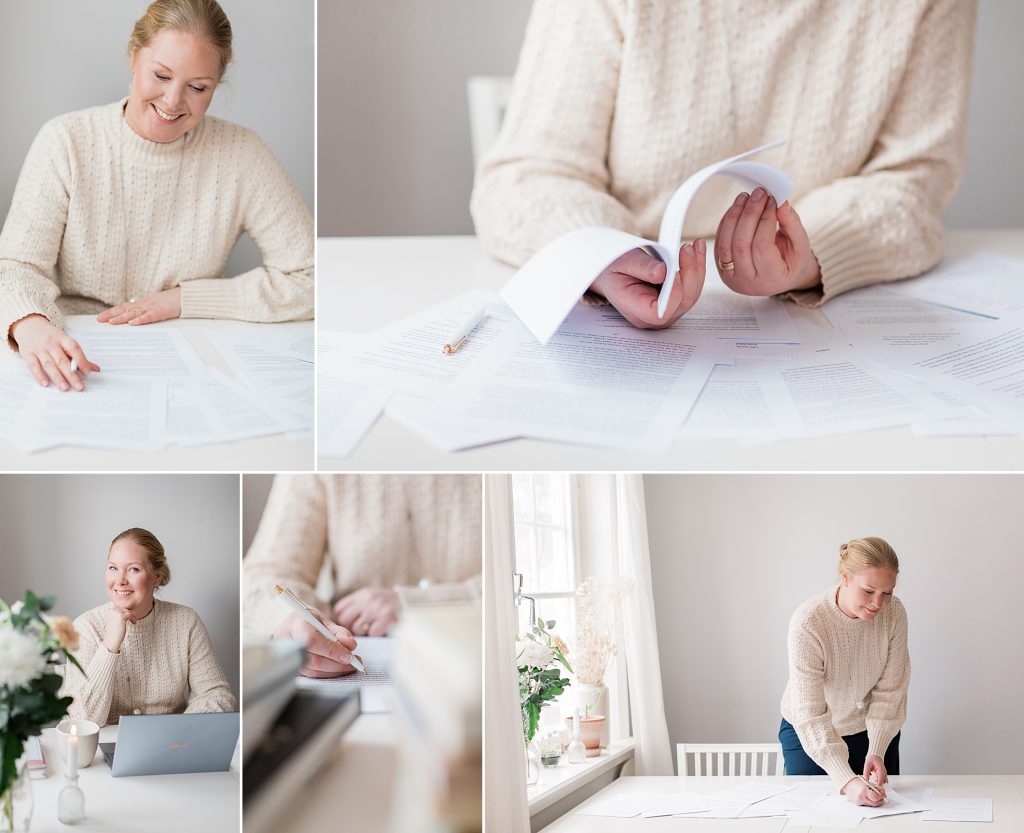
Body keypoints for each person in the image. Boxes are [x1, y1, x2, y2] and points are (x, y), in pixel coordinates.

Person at [471, 1, 975, 330]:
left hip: (807, 323)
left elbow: (915, 178)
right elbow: (525, 175)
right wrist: (601, 256)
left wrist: (809, 253)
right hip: (624, 317)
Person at [0, 0, 313, 392]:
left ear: (217, 85)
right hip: (68, 353)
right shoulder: (65, 142)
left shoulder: (242, 154)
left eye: (198, 87)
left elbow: (313, 277)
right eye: (161, 75)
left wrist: (184, 300)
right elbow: (15, 267)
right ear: (134, 57)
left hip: (184, 362)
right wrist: (30, 325)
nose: (172, 101)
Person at [243, 474, 481, 678]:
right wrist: (293, 622)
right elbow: (261, 578)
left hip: (480, 657)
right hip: (357, 671)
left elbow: (516, 581)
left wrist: (415, 604)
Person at [779, 537, 910, 807]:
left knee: (883, 814)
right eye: (869, 591)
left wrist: (876, 749)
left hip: (871, 730)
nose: (879, 603)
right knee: (813, 815)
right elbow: (810, 711)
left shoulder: (894, 614)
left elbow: (891, 690)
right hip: (810, 734)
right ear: (845, 578)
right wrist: (846, 780)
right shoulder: (809, 622)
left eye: (888, 592)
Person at [63, 527, 236, 726]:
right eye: (113, 568)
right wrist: (110, 644)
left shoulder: (186, 621)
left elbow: (217, 695)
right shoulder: (85, 627)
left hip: (173, 746)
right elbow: (80, 720)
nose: (120, 580)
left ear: (157, 578)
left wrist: (179, 733)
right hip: (105, 752)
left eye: (134, 569)